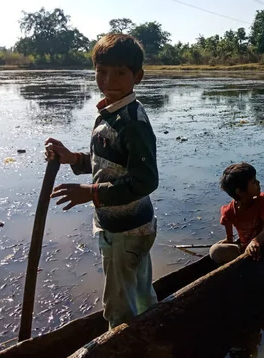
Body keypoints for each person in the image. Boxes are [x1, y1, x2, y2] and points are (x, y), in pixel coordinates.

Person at [45, 33, 159, 329]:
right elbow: (108, 163)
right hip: (129, 227)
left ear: (138, 77)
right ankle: (155, 328)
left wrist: (91, 193)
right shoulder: (110, 113)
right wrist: (73, 159)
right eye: (102, 72)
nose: (109, 80)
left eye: (120, 73)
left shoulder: (132, 122)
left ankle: (125, 345)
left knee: (118, 306)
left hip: (126, 230)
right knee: (141, 290)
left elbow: (145, 181)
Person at [210, 163, 264, 265]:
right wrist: (228, 241)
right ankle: (246, 260)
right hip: (245, 248)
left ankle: (249, 260)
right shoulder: (229, 212)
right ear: (239, 191)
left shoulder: (262, 200)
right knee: (214, 251)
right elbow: (229, 238)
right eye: (253, 182)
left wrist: (256, 241)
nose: (258, 182)